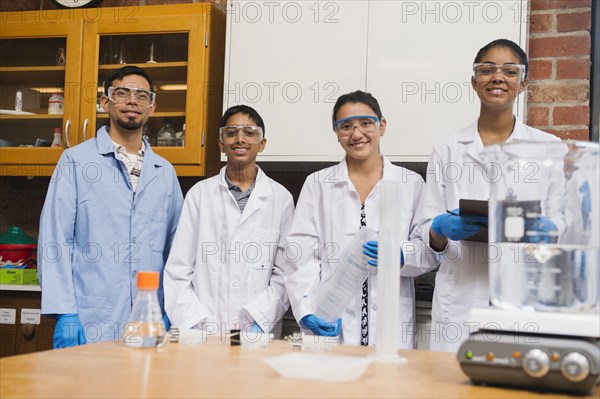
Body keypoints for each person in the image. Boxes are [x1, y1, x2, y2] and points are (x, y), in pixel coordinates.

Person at [418, 39, 562, 352]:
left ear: (523, 84)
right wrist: (439, 229)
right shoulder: (447, 149)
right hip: (461, 298)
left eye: (510, 71)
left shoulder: (549, 148)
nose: (498, 77)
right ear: (474, 81)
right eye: (487, 70)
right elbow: (427, 231)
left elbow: (563, 222)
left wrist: (550, 230)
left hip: (524, 299)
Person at [38, 66, 183, 348]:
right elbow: (55, 239)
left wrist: (171, 308)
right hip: (89, 316)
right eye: (122, 93)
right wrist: (65, 310)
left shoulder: (164, 172)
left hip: (149, 317)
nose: (132, 101)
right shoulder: (76, 162)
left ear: (152, 106)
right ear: (106, 102)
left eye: (141, 95)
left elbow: (177, 249)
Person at [282, 90, 438, 347]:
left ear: (382, 125)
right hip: (332, 319)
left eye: (365, 123)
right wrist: (307, 308)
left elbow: (429, 250)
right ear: (336, 132)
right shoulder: (318, 184)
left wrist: (401, 254)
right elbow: (300, 255)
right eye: (346, 126)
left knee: (387, 384)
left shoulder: (410, 183)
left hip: (391, 324)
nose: (356, 134)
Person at [163, 105, 294, 337]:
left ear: (262, 143)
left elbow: (285, 272)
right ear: (221, 143)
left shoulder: (281, 198)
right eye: (231, 132)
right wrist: (197, 323)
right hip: (204, 331)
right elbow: (178, 270)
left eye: (249, 132)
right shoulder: (199, 194)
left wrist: (259, 319)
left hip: (258, 332)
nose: (239, 139)